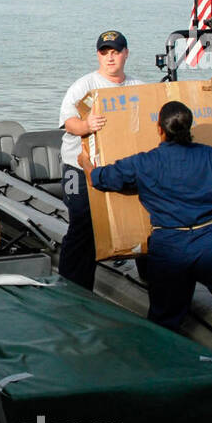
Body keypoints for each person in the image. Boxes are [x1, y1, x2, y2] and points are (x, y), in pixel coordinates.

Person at [79, 100, 212, 367]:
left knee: (165, 314)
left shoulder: (144, 162)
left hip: (170, 245)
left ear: (159, 129)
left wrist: (86, 163)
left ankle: (158, 360)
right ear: (189, 129)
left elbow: (100, 179)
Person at [57, 30, 133, 289]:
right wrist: (86, 124)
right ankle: (72, 287)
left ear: (125, 54)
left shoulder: (138, 87)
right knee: (82, 223)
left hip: (117, 166)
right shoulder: (84, 86)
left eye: (115, 52)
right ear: (98, 56)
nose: (110, 58)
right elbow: (69, 124)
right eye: (105, 53)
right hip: (77, 168)